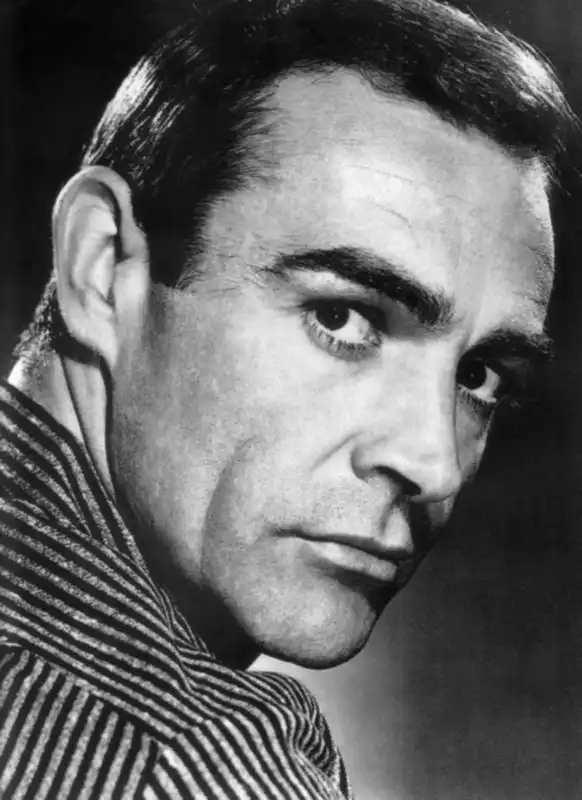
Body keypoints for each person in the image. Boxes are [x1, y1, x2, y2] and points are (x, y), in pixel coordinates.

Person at [0, 0, 574, 797]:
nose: (434, 463)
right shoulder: (188, 767)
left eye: (478, 377)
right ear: (100, 270)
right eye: (343, 318)